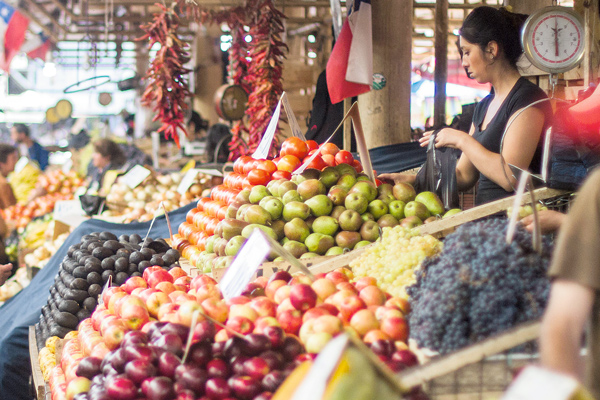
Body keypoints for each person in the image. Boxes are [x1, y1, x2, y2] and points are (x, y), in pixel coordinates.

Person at [380, 6, 550, 206]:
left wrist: (461, 139)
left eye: (467, 52)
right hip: (483, 221)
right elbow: (463, 175)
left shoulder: (528, 99)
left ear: (492, 50)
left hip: (517, 225)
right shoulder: (484, 106)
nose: (464, 62)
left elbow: (510, 177)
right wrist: (411, 180)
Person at [0, 144, 18, 210]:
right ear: (2, 164)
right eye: (13, 158)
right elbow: (11, 210)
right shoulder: (3, 184)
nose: (16, 161)